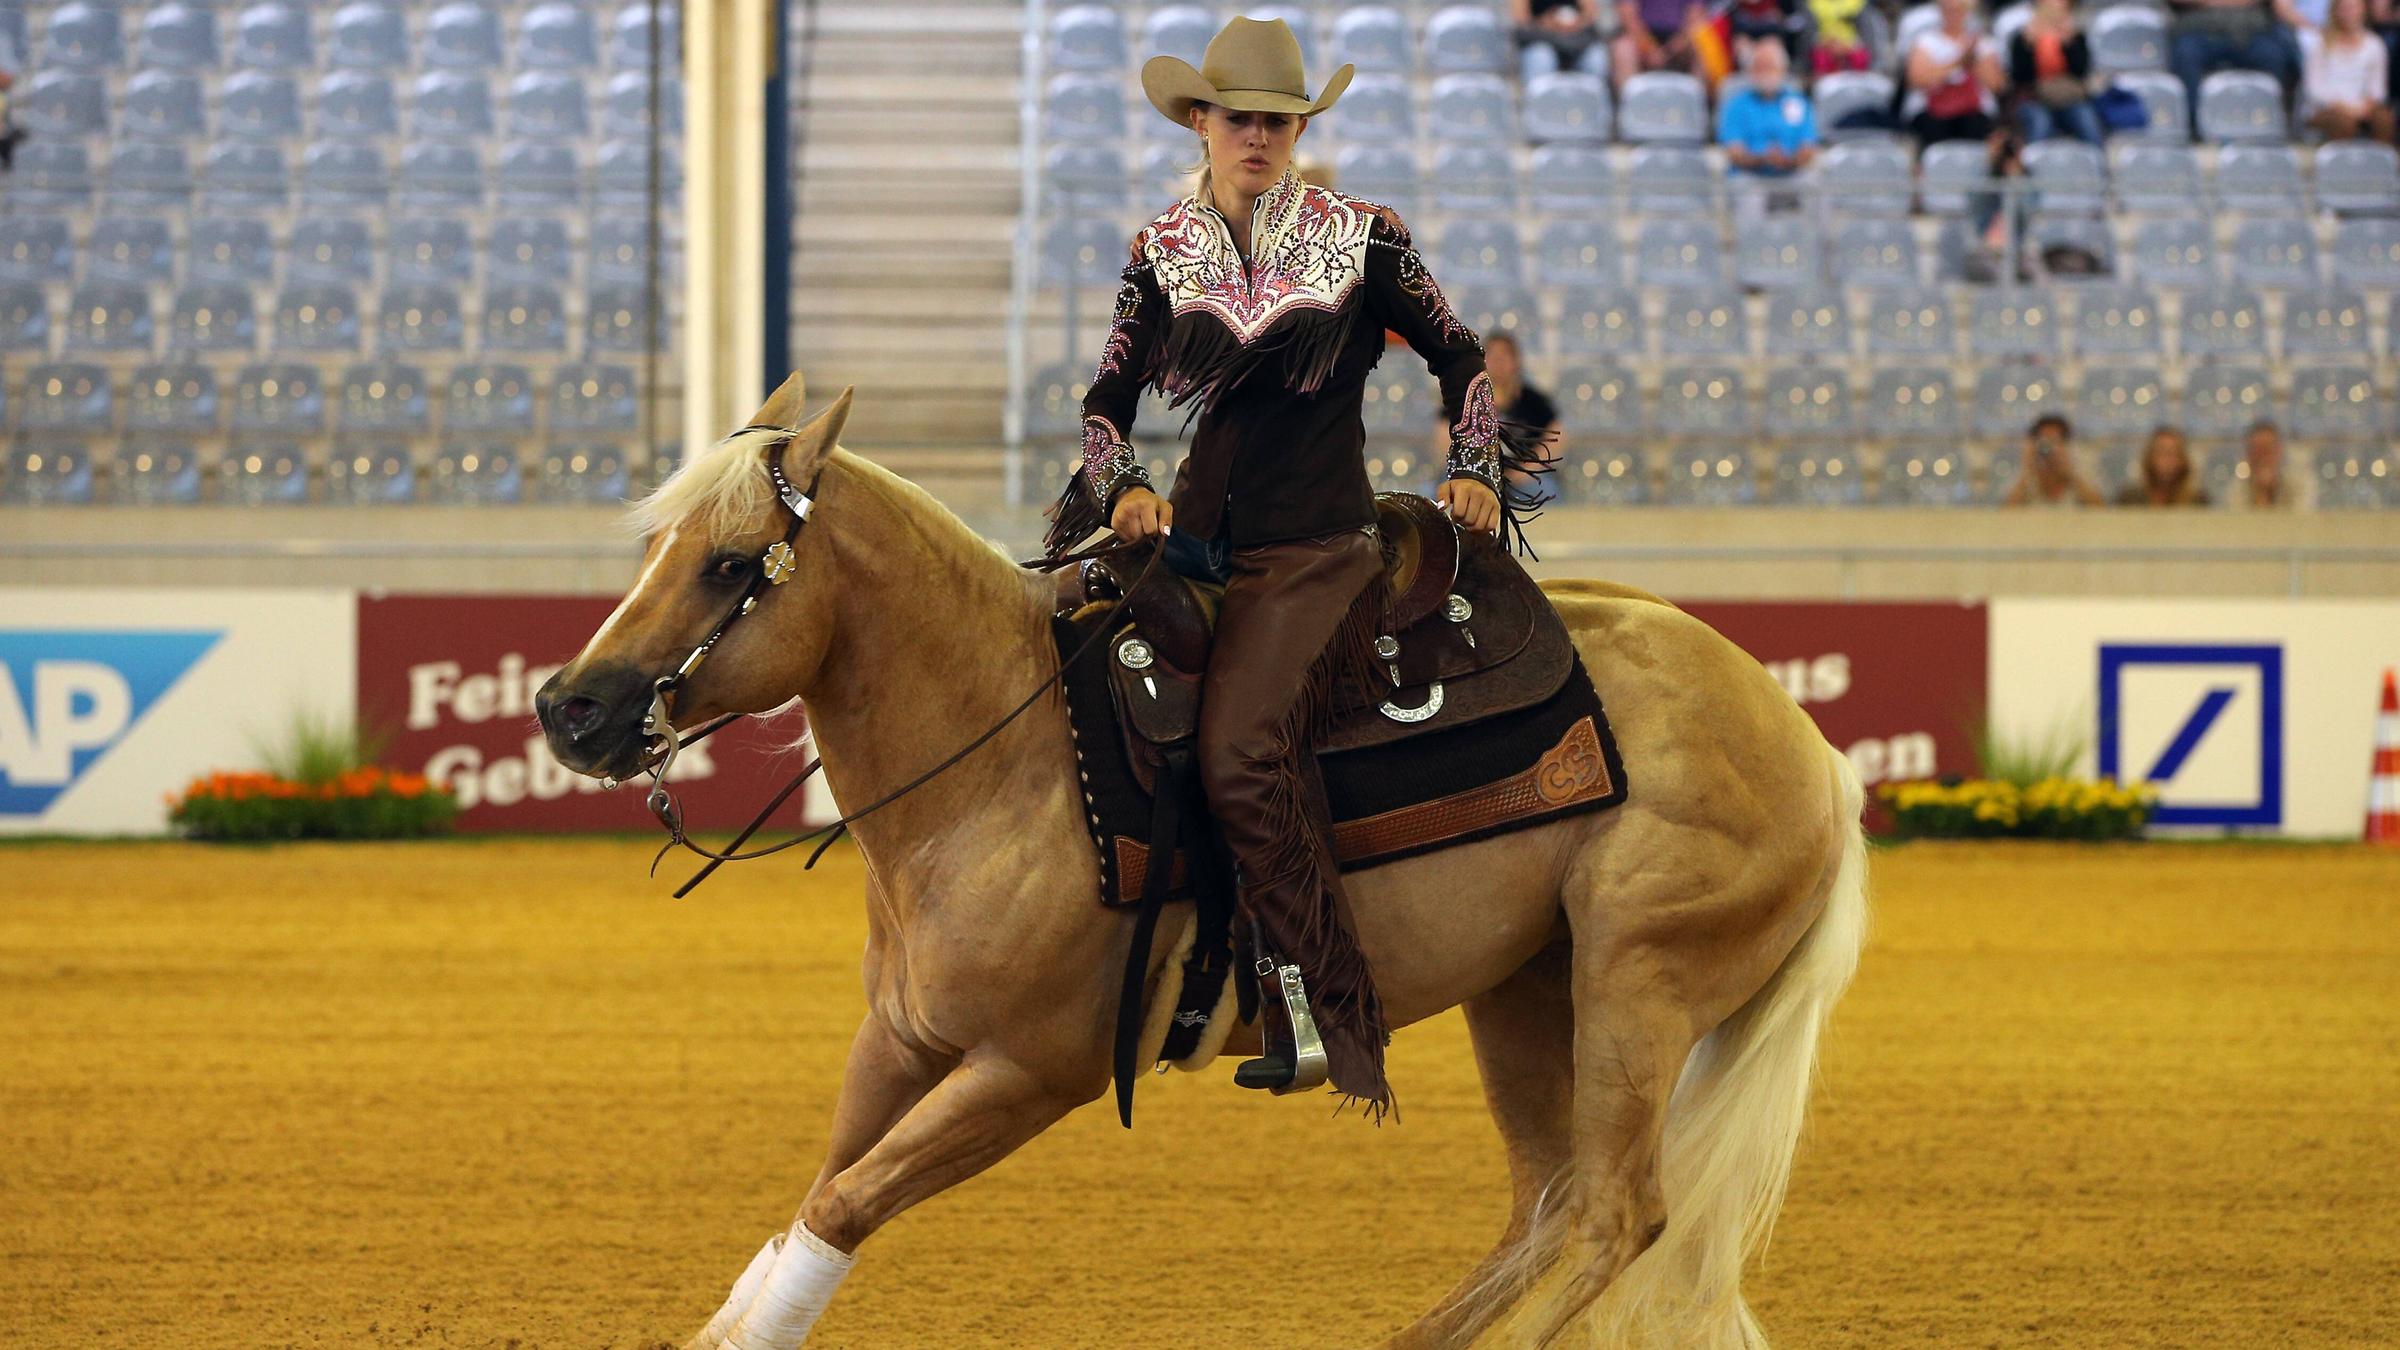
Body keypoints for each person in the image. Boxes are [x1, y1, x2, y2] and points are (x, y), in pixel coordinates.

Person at [1041, 17, 1549, 1118]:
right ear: (1203, 125)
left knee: (1237, 751)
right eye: (1240, 118)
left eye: (1278, 119)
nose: (1258, 135)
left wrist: (1473, 462)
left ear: (1299, 128)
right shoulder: (1163, 248)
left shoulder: (1364, 236)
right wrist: (1122, 480)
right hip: (1192, 542)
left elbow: (1459, 352)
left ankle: (1318, 1001)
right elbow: (1104, 402)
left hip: (1317, 551)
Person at [1428, 331, 1564, 482]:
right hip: (1473, 477)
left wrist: (1527, 471)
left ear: (1516, 362)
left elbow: (1556, 436)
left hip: (1524, 478)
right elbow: (1443, 435)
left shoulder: (1534, 402)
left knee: (1546, 488)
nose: (1498, 362)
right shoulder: (1464, 398)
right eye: (1492, 356)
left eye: (1504, 356)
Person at [2170, 0, 2303, 120]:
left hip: (2251, 31)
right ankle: (2193, 123)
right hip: (2199, 29)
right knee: (2186, 54)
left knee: (2273, 55)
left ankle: (2267, 118)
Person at [1904, 0, 2008, 143]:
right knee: (1934, 126)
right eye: (1949, 10)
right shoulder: (1925, 42)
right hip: (1933, 112)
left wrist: (1972, 60)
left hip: (1973, 112)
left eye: (1958, 10)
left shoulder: (1982, 43)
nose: (1954, 15)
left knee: (1975, 125)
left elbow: (1996, 85)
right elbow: (1916, 79)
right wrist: (1959, 62)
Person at [1718, 36, 1822, 179]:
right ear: (1750, 70)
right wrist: (1762, 159)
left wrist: (1790, 160)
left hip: (1791, 172)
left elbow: (1809, 146)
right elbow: (1733, 150)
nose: (1765, 72)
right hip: (1749, 173)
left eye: (1770, 67)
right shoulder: (1737, 104)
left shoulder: (1798, 102)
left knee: (1810, 180)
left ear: (1783, 69)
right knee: (1743, 186)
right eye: (1759, 67)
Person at [2010, 0, 2106, 143]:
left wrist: (2069, 44)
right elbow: (2020, 77)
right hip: (2036, 99)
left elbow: (2081, 71)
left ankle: (2098, 163)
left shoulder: (2076, 36)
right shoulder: (2022, 38)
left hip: (2069, 98)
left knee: (2088, 123)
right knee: (2041, 124)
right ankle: (2033, 163)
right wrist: (2028, 46)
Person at [2301, 0, 2396, 139]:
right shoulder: (2320, 43)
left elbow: (2378, 89)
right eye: (2344, 8)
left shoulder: (2375, 45)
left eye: (2353, 7)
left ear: (2363, 10)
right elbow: (2315, 89)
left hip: (2363, 108)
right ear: (2335, 11)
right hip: (2328, 108)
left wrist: (2364, 107)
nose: (2349, 13)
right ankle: (2342, 160)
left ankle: (2384, 158)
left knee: (2385, 118)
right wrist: (2344, 107)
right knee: (2344, 122)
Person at [2000, 413, 2107, 506]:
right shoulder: (2024, 473)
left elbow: (2101, 509)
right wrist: (2028, 471)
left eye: (2055, 441)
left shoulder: (2082, 469)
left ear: (2066, 445)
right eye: (2044, 442)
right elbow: (2005, 512)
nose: (2049, 449)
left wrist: (2070, 473)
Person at [1615, 0, 1703, 90]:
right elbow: (1628, 16)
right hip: (1642, 38)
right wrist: (1649, 49)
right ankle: (1629, 101)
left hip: (1680, 41)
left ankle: (1697, 100)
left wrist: (1671, 49)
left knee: (1703, 47)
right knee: (1623, 49)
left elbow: (1695, 17)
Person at [2114, 425, 2212, 505]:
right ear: (2149, 457)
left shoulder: (2197, 500)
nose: (2167, 461)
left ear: (2183, 460)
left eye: (2173, 454)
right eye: (2161, 452)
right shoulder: (2130, 499)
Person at [1513, 0, 1609, 79]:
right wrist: (1546, 23)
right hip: (1539, 39)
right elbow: (1521, 20)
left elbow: (1590, 15)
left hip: (1575, 41)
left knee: (1595, 57)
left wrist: (1576, 23)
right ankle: (1541, 101)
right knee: (1542, 57)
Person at [2233, 419, 2297, 507]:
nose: (2263, 458)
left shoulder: (2298, 485)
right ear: (2248, 454)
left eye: (2268, 450)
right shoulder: (2237, 490)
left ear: (2279, 451)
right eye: (2258, 451)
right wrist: (2260, 493)